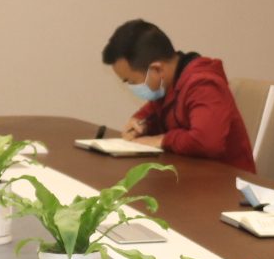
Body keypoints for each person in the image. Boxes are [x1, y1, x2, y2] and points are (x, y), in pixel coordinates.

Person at [101, 19, 257, 172]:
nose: (132, 87)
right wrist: (140, 123)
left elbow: (206, 142)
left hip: (227, 182)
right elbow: (153, 113)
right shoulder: (168, 85)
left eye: (132, 81)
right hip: (192, 174)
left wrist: (163, 140)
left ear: (157, 70)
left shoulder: (204, 84)